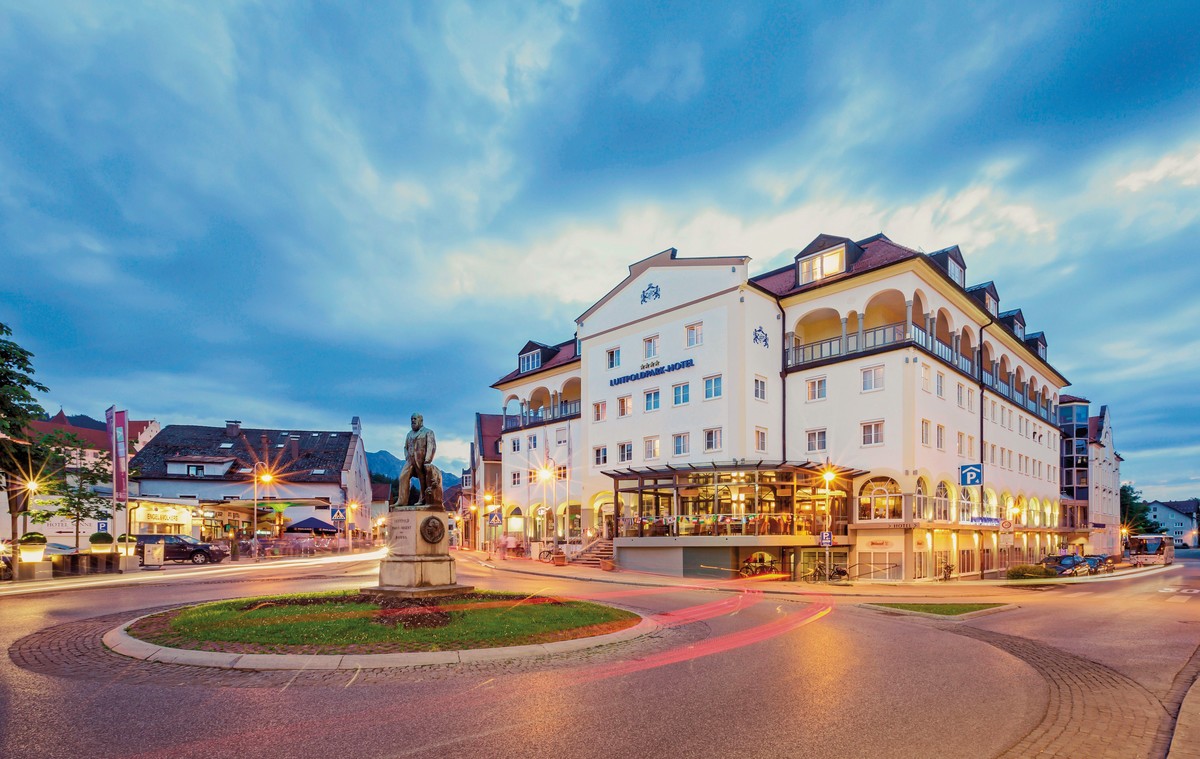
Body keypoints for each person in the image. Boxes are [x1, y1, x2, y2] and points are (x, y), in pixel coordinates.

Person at [395, 413, 443, 508]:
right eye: (411, 419)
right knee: (403, 477)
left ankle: (422, 499)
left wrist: (427, 460)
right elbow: (405, 447)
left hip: (422, 459)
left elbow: (431, 446)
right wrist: (407, 456)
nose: (413, 421)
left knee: (423, 480)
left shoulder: (428, 432)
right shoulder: (409, 434)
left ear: (421, 421)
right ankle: (402, 501)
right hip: (410, 460)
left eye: (415, 419)